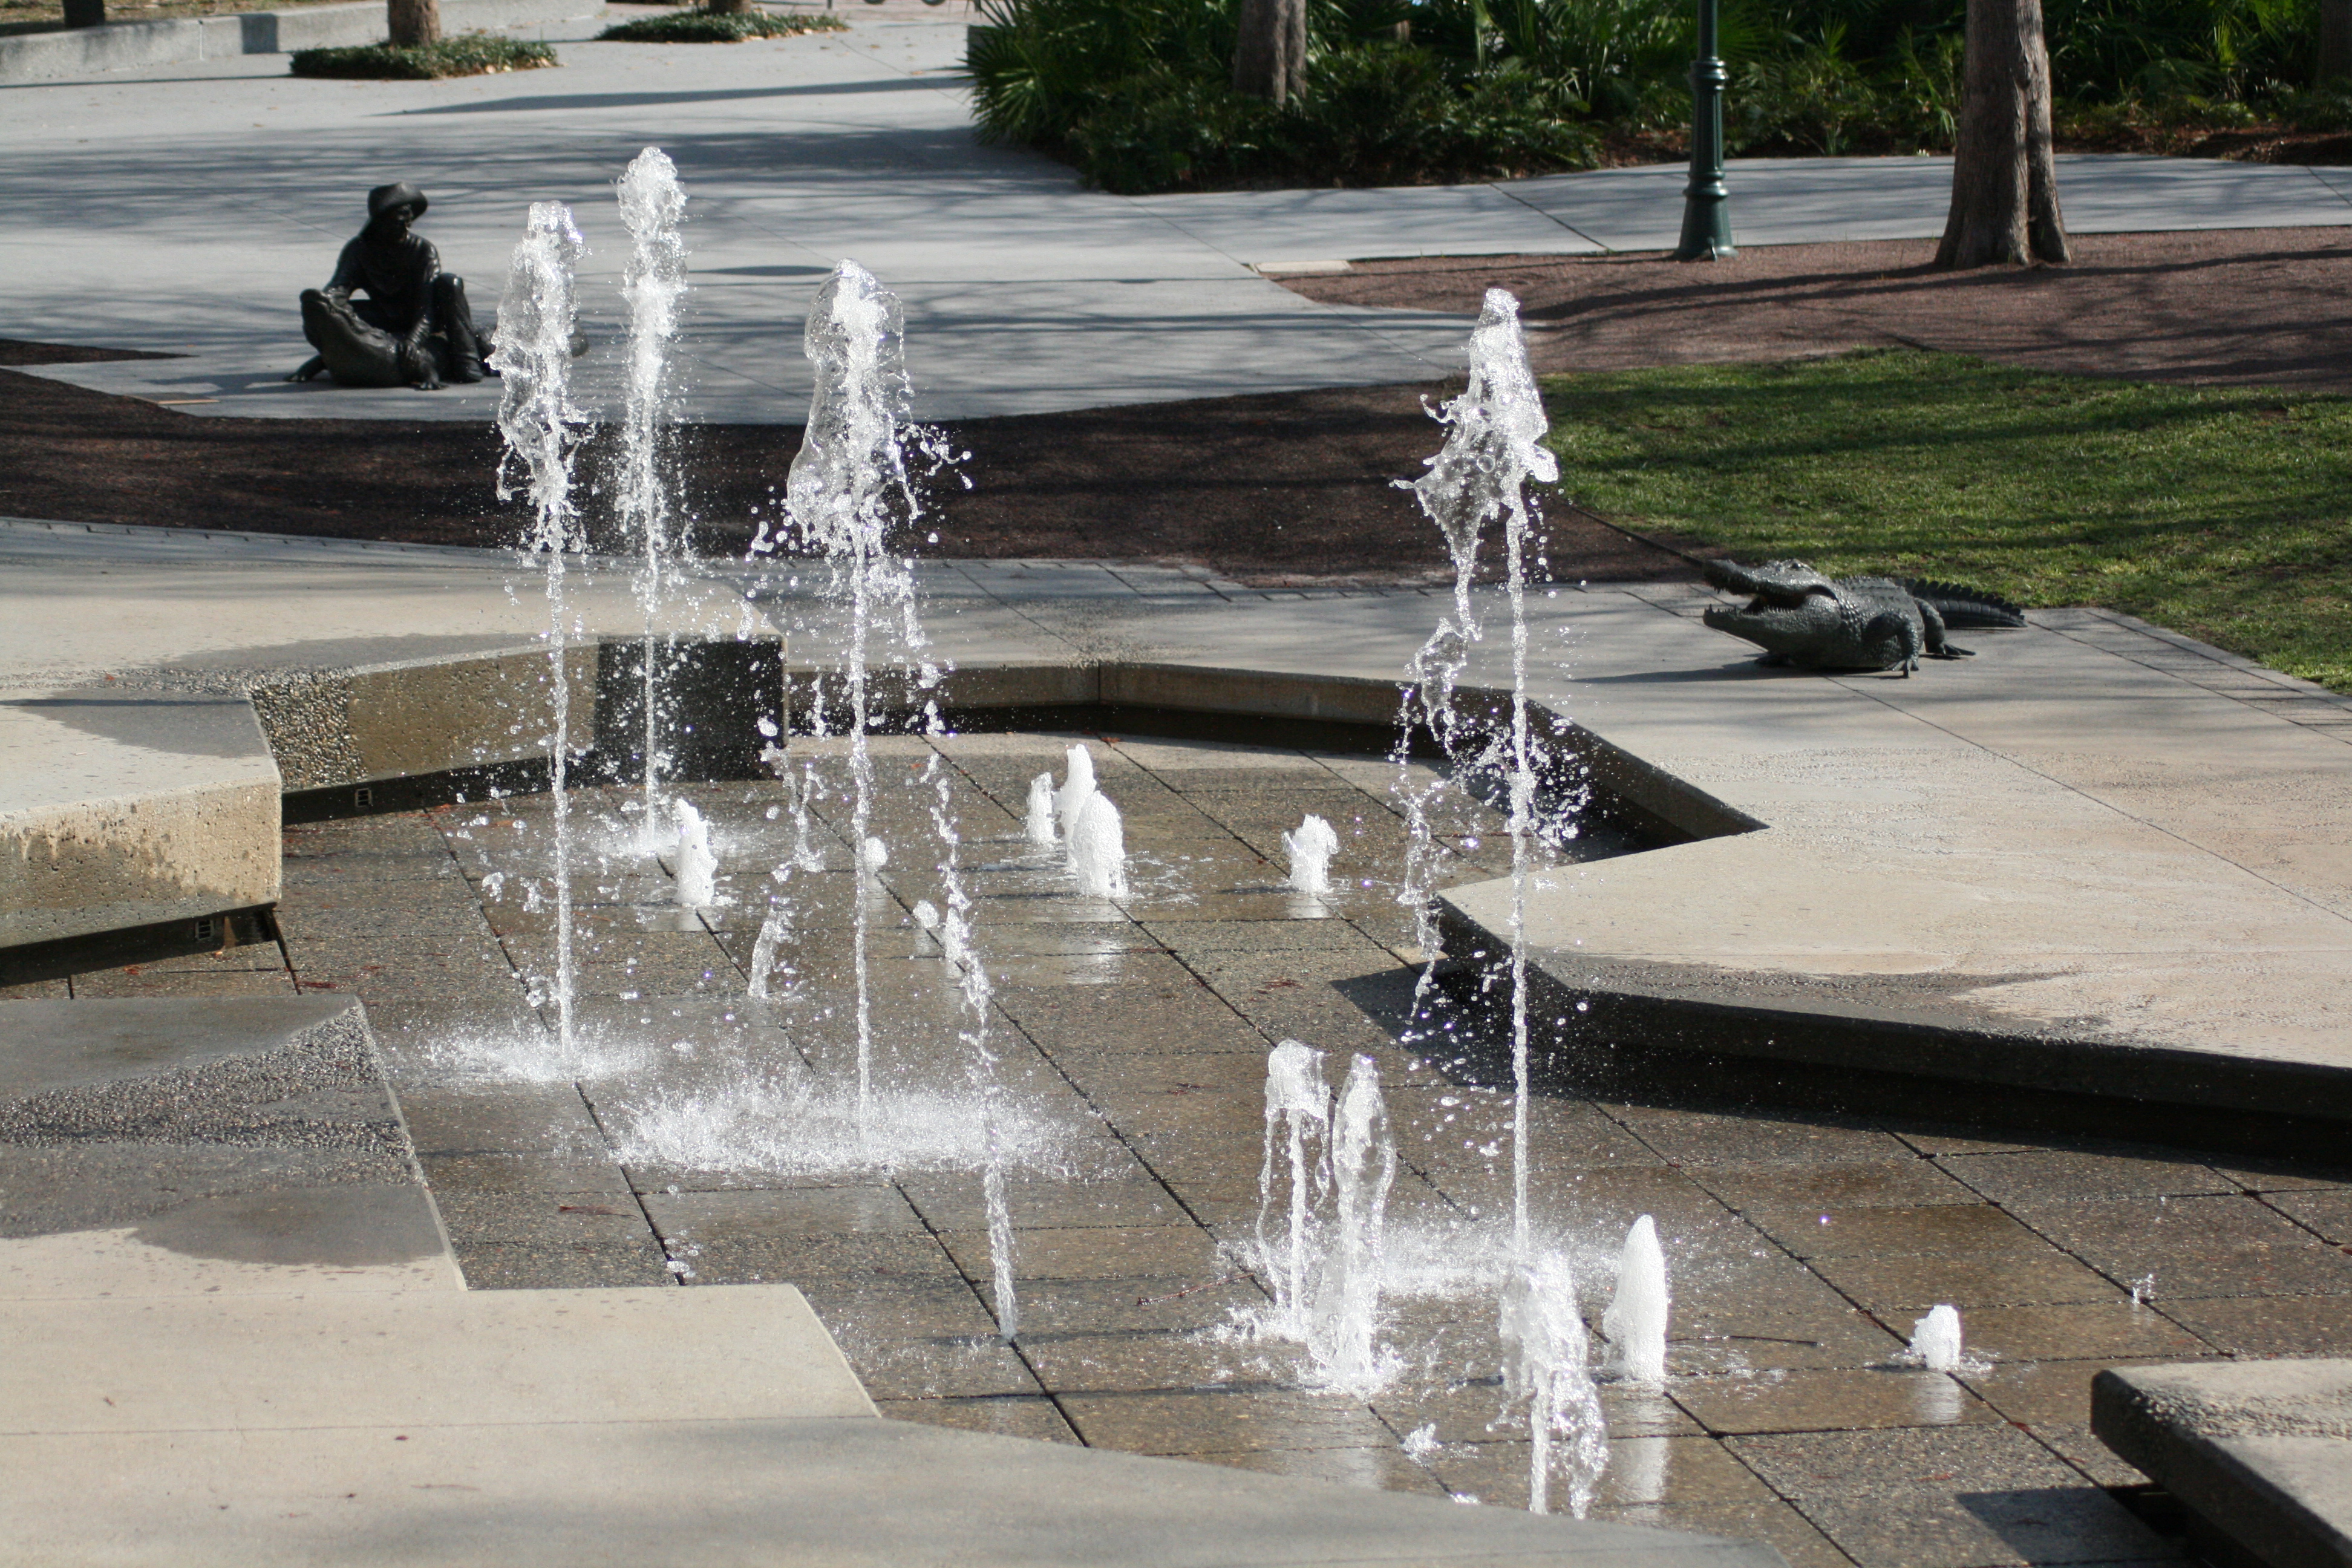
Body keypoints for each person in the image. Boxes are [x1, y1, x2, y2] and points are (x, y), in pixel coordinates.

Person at [288, 181, 491, 390]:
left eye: (407, 219)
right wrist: (324, 307)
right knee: (340, 315)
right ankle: (328, 359)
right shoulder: (359, 249)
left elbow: (426, 306)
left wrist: (413, 342)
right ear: (380, 222)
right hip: (384, 316)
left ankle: (467, 360)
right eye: (397, 220)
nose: (404, 225)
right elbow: (339, 288)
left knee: (449, 283)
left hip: (422, 317)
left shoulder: (423, 250)